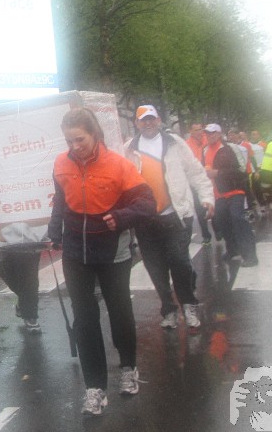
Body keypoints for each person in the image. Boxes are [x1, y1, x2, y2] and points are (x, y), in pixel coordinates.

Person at [49, 107, 156, 415]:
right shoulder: (60, 163)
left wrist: (121, 217)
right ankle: (94, 387)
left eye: (80, 140)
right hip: (76, 250)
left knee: (119, 310)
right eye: (69, 141)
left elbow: (147, 203)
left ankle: (128, 367)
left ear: (94, 134)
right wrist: (54, 231)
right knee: (84, 317)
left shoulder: (118, 165)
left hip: (112, 249)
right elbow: (60, 200)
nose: (74, 147)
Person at [124, 105, 215, 331]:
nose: (148, 123)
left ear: (158, 120)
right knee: (155, 268)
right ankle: (169, 310)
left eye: (151, 119)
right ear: (137, 123)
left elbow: (196, 172)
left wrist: (207, 198)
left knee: (179, 262)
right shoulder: (128, 149)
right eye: (143, 120)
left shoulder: (175, 143)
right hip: (145, 220)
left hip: (176, 216)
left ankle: (189, 304)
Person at [203, 124, 258, 266]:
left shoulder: (231, 148)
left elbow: (241, 170)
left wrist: (218, 173)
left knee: (238, 220)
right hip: (217, 194)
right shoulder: (205, 150)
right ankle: (233, 249)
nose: (210, 136)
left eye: (213, 133)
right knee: (223, 222)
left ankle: (250, 256)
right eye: (207, 133)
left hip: (235, 191)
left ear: (219, 134)